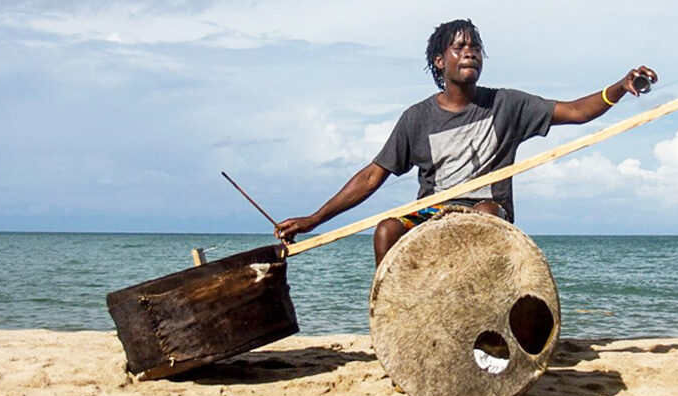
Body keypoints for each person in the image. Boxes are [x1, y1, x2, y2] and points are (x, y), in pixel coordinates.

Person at [274, 19, 656, 265]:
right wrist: (314, 220)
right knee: (387, 230)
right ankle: (398, 323)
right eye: (459, 47)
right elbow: (373, 176)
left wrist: (620, 88)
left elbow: (576, 111)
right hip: (432, 214)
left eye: (474, 47)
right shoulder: (417, 118)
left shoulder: (508, 104)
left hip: (488, 210)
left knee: (486, 216)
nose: (469, 51)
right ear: (440, 62)